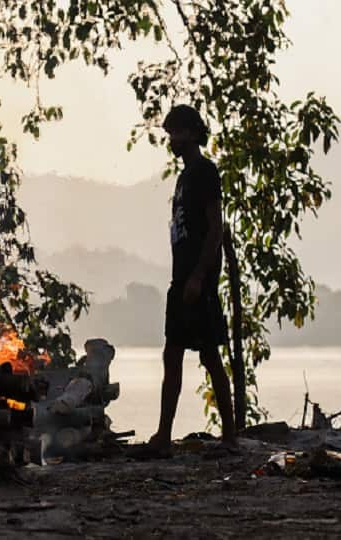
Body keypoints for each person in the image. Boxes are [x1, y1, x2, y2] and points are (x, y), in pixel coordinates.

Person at [142, 104, 236, 457]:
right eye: (170, 134)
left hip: (199, 279)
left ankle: (230, 435)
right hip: (181, 278)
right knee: (173, 353)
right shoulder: (183, 179)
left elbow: (215, 229)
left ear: (194, 133)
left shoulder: (205, 172)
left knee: (210, 355)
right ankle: (163, 436)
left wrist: (199, 276)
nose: (173, 140)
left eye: (179, 133)